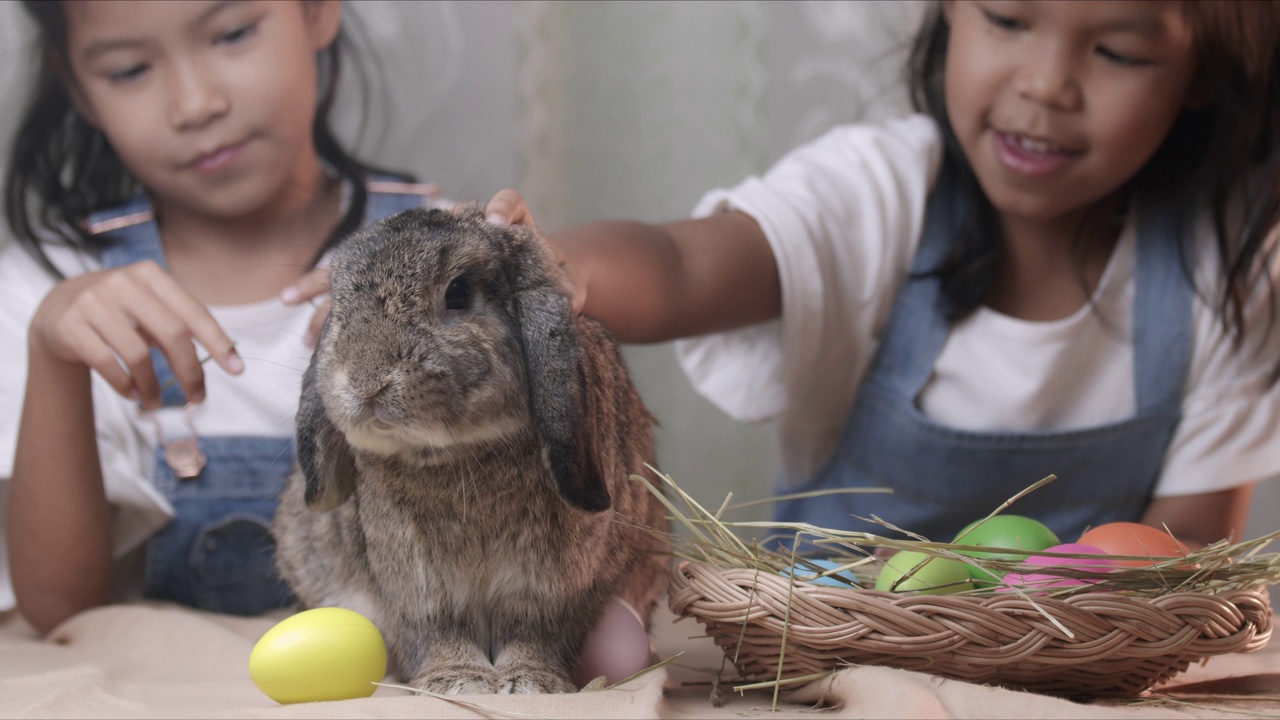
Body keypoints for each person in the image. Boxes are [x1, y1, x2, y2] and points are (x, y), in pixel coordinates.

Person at [485, 1, 1280, 551]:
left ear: (1205, 69)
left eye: (1119, 51)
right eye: (1006, 18)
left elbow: (1187, 551)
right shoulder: (884, 190)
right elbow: (688, 263)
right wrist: (564, 269)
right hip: (823, 677)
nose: (1046, 85)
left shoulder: (1228, 274)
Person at [0, 0, 442, 635]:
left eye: (232, 34)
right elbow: (58, 611)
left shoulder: (447, 260)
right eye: (129, 70)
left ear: (317, 12)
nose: (195, 104)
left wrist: (538, 264)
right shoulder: (49, 292)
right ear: (76, 85)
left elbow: (640, 275)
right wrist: (55, 358)